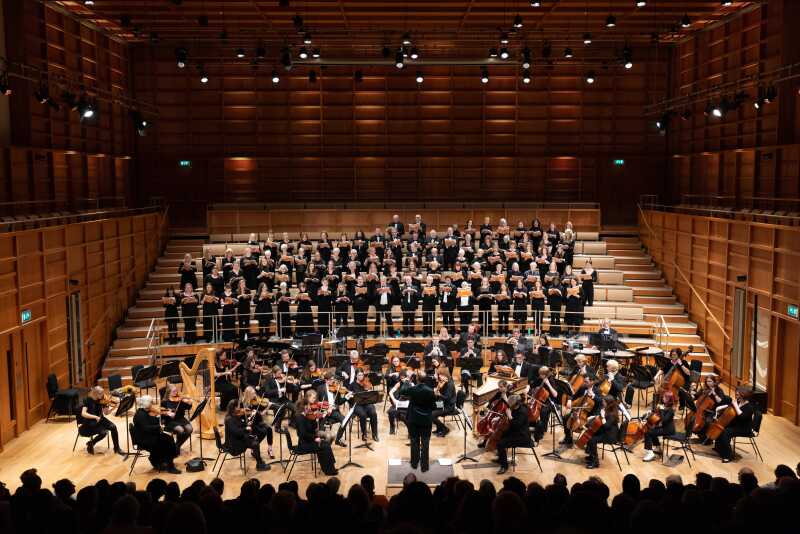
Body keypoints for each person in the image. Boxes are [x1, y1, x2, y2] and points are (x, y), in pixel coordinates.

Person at [294, 390, 338, 475]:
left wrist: (315, 420)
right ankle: (329, 470)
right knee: (325, 445)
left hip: (309, 441)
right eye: (307, 406)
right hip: (304, 444)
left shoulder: (306, 416)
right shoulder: (300, 418)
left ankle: (329, 467)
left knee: (325, 444)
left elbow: (312, 428)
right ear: (304, 407)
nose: (309, 408)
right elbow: (302, 434)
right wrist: (315, 438)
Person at [400, 370, 436, 472]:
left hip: (413, 419)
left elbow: (402, 391)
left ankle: (414, 463)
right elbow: (433, 406)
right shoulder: (430, 391)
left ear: (417, 379)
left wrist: (406, 382)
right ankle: (425, 466)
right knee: (425, 442)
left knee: (414, 441)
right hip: (426, 420)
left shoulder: (413, 389)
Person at [132, 395, 180, 474]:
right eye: (151, 403)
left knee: (168, 438)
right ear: (147, 404)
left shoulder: (143, 412)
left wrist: (157, 418)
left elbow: (149, 422)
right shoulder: (140, 415)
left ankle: (160, 460)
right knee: (168, 441)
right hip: (144, 440)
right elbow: (146, 428)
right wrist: (159, 426)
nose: (152, 404)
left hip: (147, 436)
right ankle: (169, 466)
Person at [223, 400, 269, 472]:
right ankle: (259, 464)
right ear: (234, 408)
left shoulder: (233, 416)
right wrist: (246, 429)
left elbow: (239, 425)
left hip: (237, 440)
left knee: (254, 440)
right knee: (255, 443)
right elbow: (237, 432)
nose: (240, 408)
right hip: (233, 445)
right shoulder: (229, 419)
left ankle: (259, 462)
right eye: (238, 407)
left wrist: (247, 424)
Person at [77, 386, 124, 456]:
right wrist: (95, 417)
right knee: (103, 432)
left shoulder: (102, 399)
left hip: (100, 419)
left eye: (103, 393)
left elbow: (106, 413)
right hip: (90, 422)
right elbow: (83, 413)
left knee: (113, 427)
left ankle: (117, 448)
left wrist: (114, 407)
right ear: (95, 393)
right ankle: (91, 443)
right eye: (101, 394)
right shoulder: (87, 400)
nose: (103, 395)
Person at [713, 387, 755, 463]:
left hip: (744, 429)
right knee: (721, 427)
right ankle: (719, 447)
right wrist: (719, 408)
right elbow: (729, 406)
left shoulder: (749, 407)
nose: (736, 396)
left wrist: (735, 405)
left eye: (738, 395)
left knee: (726, 432)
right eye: (736, 394)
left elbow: (742, 417)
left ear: (744, 395)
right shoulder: (738, 402)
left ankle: (728, 455)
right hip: (735, 425)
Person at [495, 394, 532, 475]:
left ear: (516, 404)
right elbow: (509, 420)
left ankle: (504, 466)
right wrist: (499, 418)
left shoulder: (522, 412)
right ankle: (501, 458)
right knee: (499, 436)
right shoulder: (514, 408)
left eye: (510, 404)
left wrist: (509, 416)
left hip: (522, 436)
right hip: (515, 432)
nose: (509, 406)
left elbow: (516, 425)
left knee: (501, 444)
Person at [584, 396, 620, 469]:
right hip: (606, 432)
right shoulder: (608, 410)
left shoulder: (612, 414)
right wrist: (594, 417)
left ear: (608, 403)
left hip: (610, 436)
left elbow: (606, 426)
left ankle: (595, 462)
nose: (602, 403)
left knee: (592, 440)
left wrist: (603, 416)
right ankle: (591, 456)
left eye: (604, 402)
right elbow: (601, 420)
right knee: (590, 434)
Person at [241, 386, 275, 458]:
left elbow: (261, 412)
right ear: (248, 395)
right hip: (251, 424)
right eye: (253, 394)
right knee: (262, 432)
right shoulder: (244, 404)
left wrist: (266, 408)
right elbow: (243, 417)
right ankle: (254, 447)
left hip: (259, 421)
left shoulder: (256, 401)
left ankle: (270, 449)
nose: (255, 395)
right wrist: (268, 407)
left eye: (254, 393)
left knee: (269, 429)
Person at [643, 389, 676, 462]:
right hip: (665, 427)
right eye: (663, 397)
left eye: (665, 397)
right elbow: (657, 415)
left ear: (669, 399)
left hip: (669, 430)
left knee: (648, 433)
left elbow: (664, 420)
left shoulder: (671, 410)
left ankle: (650, 453)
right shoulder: (665, 406)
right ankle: (657, 447)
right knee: (651, 429)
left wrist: (661, 410)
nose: (663, 398)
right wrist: (651, 412)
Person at [316, 371, 348, 447]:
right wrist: (325, 407)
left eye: (333, 379)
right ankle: (321, 444)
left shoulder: (336, 388)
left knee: (344, 420)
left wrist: (346, 398)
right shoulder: (320, 388)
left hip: (334, 411)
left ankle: (338, 439)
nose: (332, 381)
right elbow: (317, 402)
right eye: (330, 379)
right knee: (321, 427)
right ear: (326, 380)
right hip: (324, 411)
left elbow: (339, 402)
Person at [347, 370, 379, 442]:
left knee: (373, 413)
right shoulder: (352, 385)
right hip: (357, 404)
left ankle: (375, 434)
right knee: (362, 414)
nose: (361, 377)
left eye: (362, 375)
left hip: (367, 403)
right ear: (356, 376)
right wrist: (351, 395)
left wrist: (369, 391)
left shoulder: (366, 383)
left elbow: (371, 395)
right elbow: (349, 398)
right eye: (359, 375)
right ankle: (364, 434)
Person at [160, 384, 194, 451]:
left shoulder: (180, 400)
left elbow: (187, 407)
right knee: (180, 430)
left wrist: (189, 403)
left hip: (180, 419)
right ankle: (176, 447)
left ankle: (177, 445)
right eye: (174, 391)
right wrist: (168, 413)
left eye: (176, 391)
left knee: (190, 429)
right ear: (169, 392)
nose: (176, 393)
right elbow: (161, 413)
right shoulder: (164, 402)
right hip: (170, 421)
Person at [432, 370, 457, 437]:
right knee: (430, 409)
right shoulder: (444, 383)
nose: (439, 377)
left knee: (431, 415)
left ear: (446, 376)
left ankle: (445, 429)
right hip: (443, 403)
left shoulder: (450, 385)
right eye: (439, 375)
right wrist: (438, 387)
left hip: (449, 407)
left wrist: (439, 394)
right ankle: (439, 428)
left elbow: (447, 398)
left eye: (441, 375)